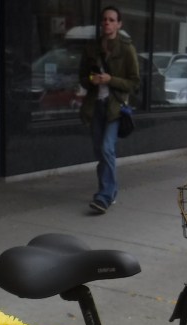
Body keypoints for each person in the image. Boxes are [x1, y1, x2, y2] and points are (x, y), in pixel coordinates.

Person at [79, 6, 139, 214]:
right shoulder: (92, 48)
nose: (107, 23)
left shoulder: (126, 49)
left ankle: (103, 196)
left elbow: (134, 83)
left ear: (119, 24)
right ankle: (110, 190)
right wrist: (92, 80)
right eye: (105, 19)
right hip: (95, 106)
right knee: (100, 152)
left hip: (115, 107)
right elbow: (82, 78)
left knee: (106, 149)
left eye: (112, 20)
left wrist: (110, 79)